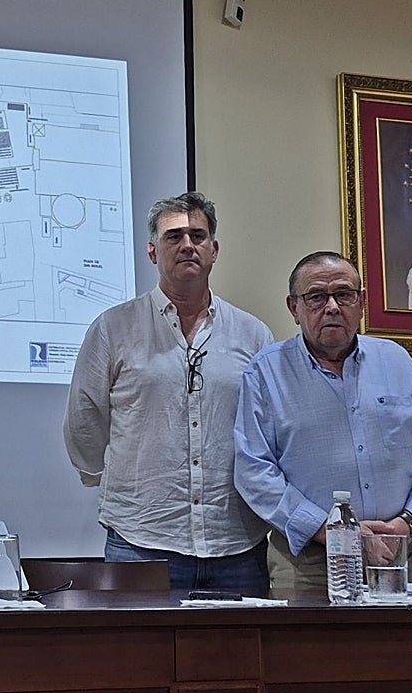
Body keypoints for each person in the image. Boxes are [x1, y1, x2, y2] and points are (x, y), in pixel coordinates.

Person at [64, 192, 275, 594]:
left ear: (214, 251)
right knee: (139, 658)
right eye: (173, 236)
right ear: (152, 251)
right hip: (141, 540)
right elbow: (84, 418)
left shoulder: (253, 334)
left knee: (240, 657)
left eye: (198, 235)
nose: (187, 245)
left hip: (236, 545)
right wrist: (105, 477)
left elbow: (268, 429)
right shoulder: (113, 328)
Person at [234, 251, 412, 590]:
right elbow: (254, 471)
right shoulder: (265, 373)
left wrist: (405, 524)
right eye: (315, 297)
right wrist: (331, 532)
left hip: (406, 554)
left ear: (361, 302)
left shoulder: (397, 362)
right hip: (312, 562)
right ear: (293, 308)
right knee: (309, 646)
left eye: (344, 294)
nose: (332, 307)